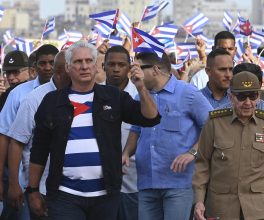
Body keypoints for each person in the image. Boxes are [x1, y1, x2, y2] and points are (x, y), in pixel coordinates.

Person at [27, 41, 160, 220]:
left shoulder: (113, 97)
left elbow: (151, 118)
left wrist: (141, 87)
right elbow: (39, 150)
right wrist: (33, 190)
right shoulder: (52, 101)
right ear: (68, 67)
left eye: (89, 61)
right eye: (78, 62)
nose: (84, 66)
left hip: (105, 196)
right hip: (64, 196)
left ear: (97, 65)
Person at [122, 52, 212, 220]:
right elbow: (136, 129)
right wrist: (126, 153)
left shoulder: (187, 93)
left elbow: (213, 126)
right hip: (146, 182)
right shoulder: (140, 96)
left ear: (155, 69)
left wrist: (192, 153)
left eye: (138, 68)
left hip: (179, 183)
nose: (134, 73)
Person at [193, 71, 264, 220]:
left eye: (253, 96)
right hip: (222, 207)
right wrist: (199, 201)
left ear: (259, 96)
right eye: (241, 97)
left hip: (258, 208)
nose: (247, 103)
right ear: (230, 97)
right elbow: (202, 164)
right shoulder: (215, 122)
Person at [6, 51, 70, 220]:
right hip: (42, 189)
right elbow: (16, 142)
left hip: (78, 189)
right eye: (70, 68)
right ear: (59, 71)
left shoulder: (86, 95)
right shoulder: (34, 99)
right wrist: (14, 184)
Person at [103, 45, 139, 220]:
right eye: (111, 64)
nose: (116, 69)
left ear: (129, 67)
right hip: (99, 186)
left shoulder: (140, 97)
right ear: (103, 66)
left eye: (121, 64)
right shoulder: (92, 96)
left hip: (132, 185)